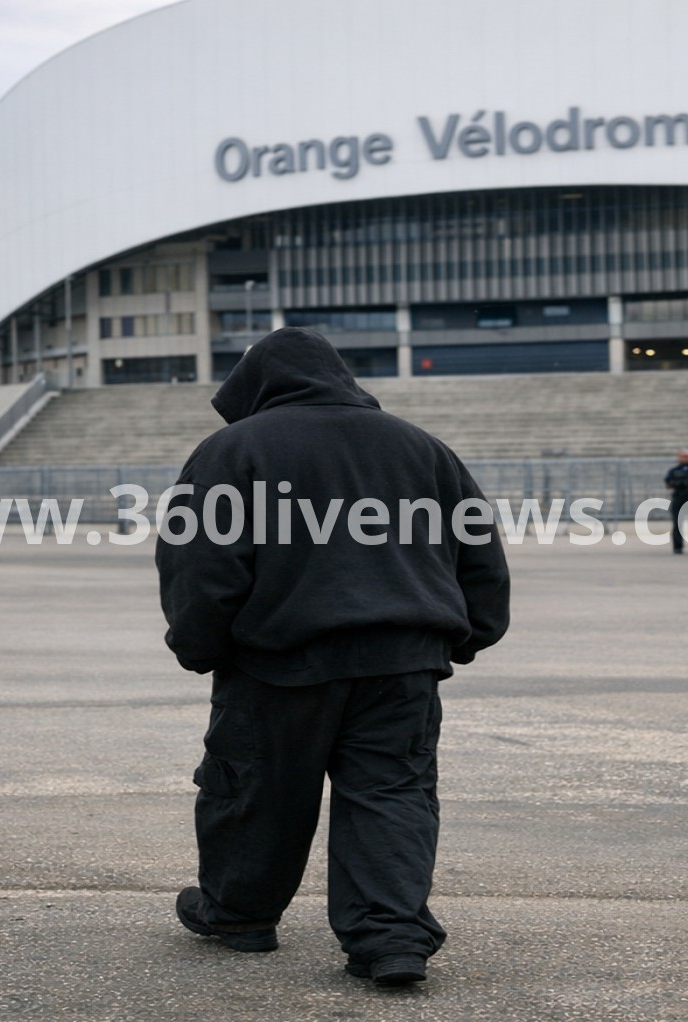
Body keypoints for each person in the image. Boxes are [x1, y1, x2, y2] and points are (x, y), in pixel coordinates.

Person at [156, 327, 511, 987]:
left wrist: (200, 645)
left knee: (258, 790)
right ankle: (390, 941)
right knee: (392, 794)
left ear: (256, 386)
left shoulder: (233, 451)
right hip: (403, 661)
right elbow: (480, 552)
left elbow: (201, 564)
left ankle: (239, 916)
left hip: (278, 661)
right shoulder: (422, 448)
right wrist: (468, 633)